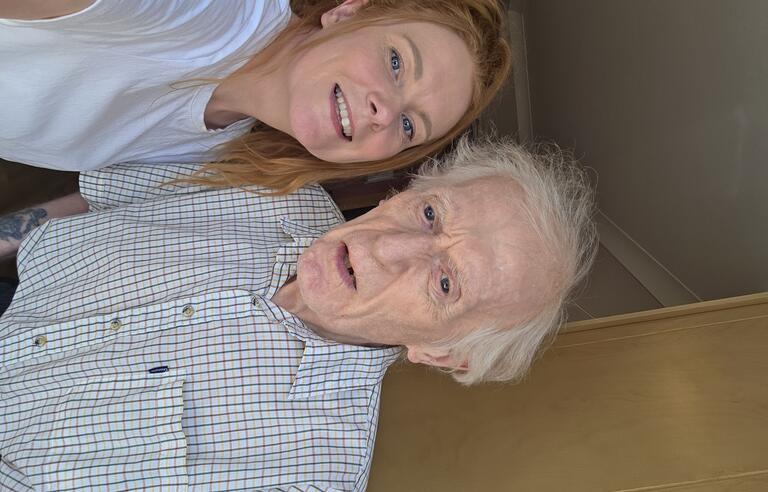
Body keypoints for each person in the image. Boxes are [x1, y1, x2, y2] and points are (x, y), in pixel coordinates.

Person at [0, 138, 597, 490]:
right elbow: (99, 198)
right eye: (431, 215)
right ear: (403, 193)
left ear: (442, 353)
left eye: (445, 283)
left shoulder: (306, 474)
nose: (388, 250)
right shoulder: (269, 180)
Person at [0, 0, 511, 192]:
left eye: (409, 127)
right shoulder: (200, 13)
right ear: (347, 12)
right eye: (397, 62)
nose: (387, 111)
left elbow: (104, 196)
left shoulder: (236, 147)